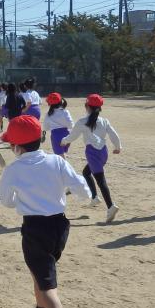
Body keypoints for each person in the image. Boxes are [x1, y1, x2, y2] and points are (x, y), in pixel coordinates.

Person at [0, 115, 91, 308]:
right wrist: (84, 195)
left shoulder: (13, 169)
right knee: (41, 272)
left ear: (16, 147)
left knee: (47, 283)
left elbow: (6, 201)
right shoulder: (57, 161)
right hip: (60, 227)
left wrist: (22, 200)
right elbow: (81, 188)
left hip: (34, 228)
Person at [61, 94, 121, 223]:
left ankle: (111, 206)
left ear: (87, 106)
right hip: (103, 153)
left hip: (92, 153)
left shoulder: (82, 122)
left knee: (101, 181)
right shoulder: (104, 121)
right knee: (86, 172)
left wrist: (64, 141)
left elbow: (72, 136)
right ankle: (94, 197)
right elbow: (113, 134)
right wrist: (117, 147)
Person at [43, 92, 73, 157]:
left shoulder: (49, 114)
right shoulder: (65, 111)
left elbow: (45, 127)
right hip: (66, 134)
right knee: (63, 153)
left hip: (56, 135)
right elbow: (71, 124)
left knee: (60, 156)